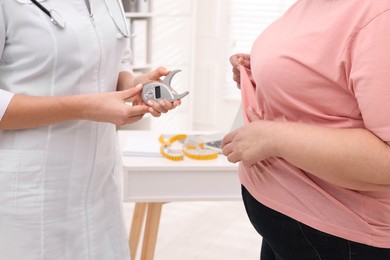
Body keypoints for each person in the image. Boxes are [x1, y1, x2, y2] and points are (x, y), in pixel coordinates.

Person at [0, 1, 181, 259]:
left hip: (99, 189)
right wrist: (84, 107)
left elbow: (117, 59)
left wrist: (134, 86)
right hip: (31, 194)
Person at [223, 1, 390, 259]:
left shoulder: (381, 17)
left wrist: (273, 137)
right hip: (290, 227)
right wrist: (269, 71)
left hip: (341, 240)